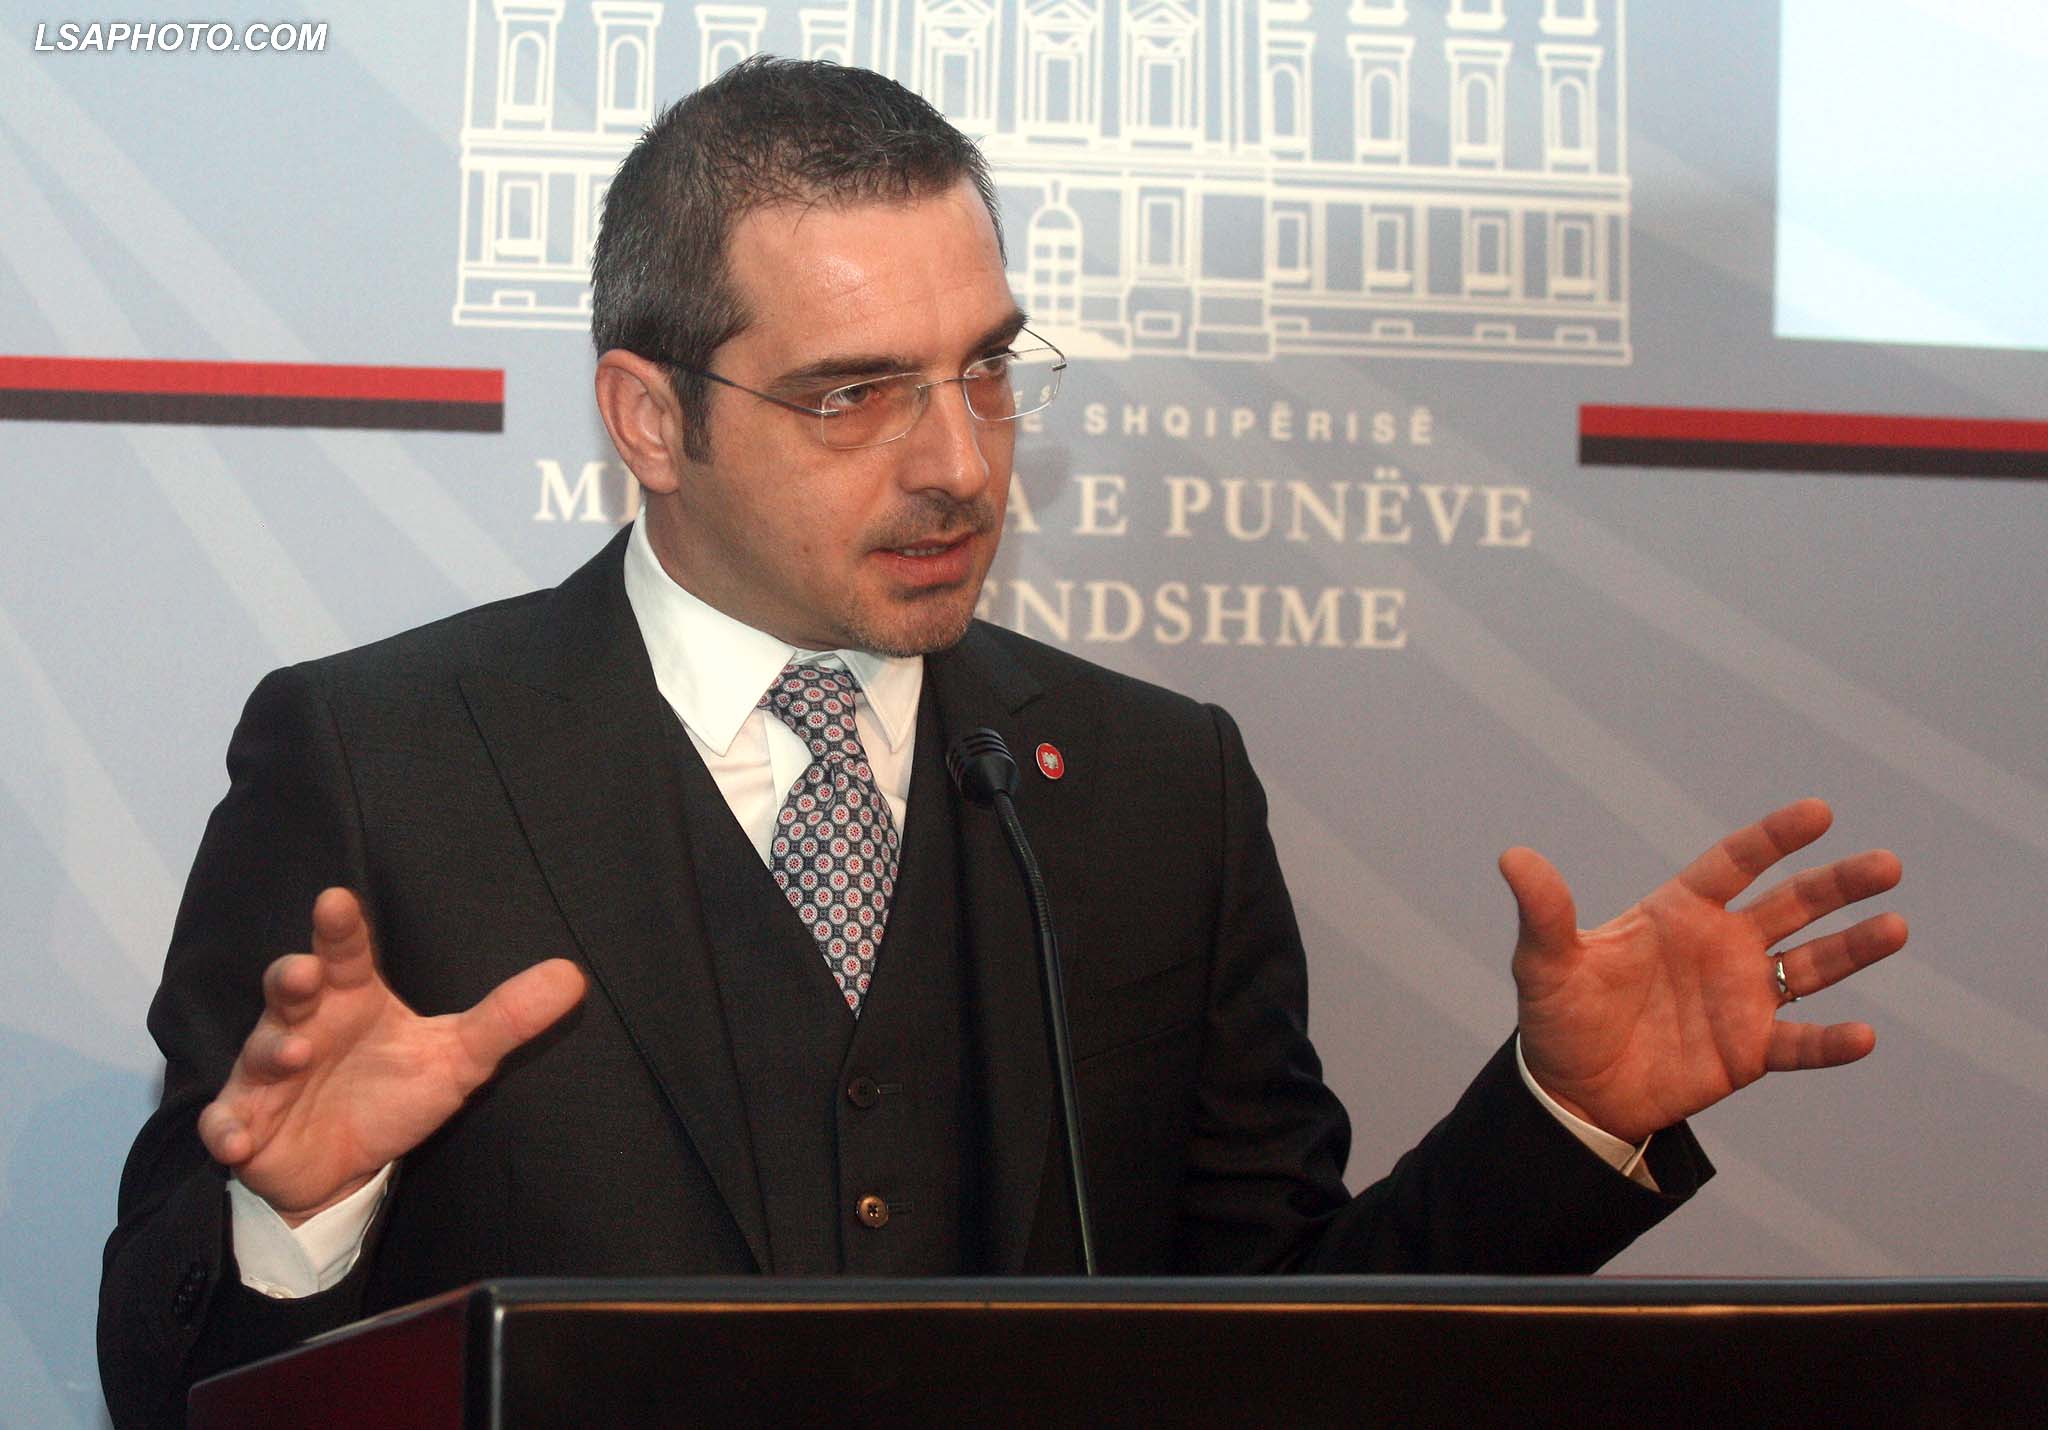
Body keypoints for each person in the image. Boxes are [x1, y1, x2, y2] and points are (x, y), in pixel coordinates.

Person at [98, 59, 1907, 1427]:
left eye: (985, 368)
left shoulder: (1154, 786)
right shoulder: (382, 757)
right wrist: (296, 1226)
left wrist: (1564, 1121)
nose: (961, 462)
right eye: (855, 394)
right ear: (649, 418)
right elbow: (154, 1374)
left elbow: (1283, 1339)